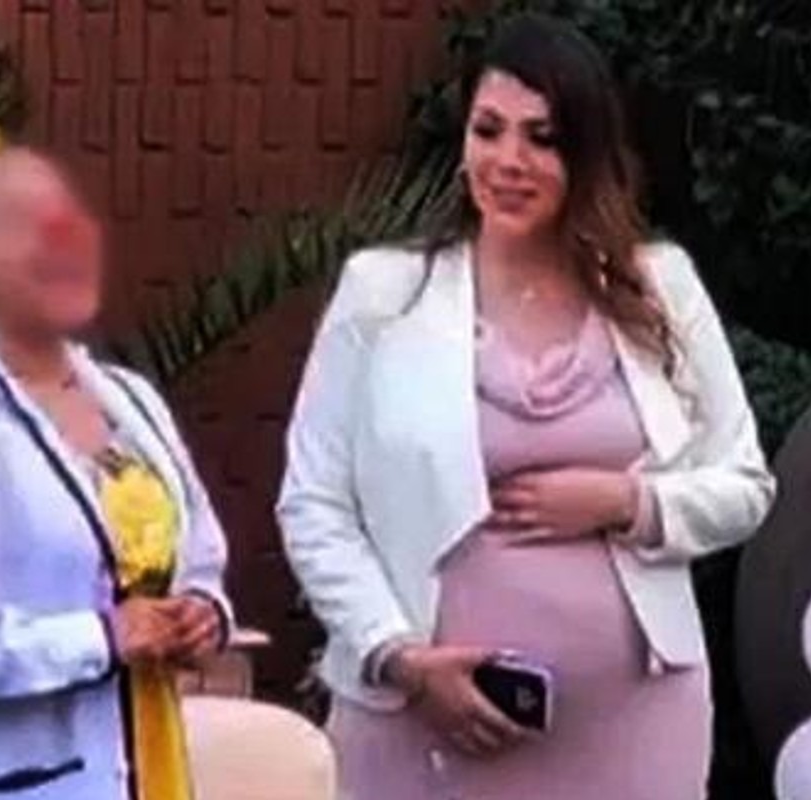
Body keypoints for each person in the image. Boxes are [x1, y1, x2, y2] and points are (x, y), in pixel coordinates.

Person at [277, 14, 775, 800]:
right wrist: (398, 656)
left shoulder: (659, 287)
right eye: (488, 130)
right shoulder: (383, 294)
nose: (508, 161)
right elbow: (314, 503)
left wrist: (628, 503)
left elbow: (745, 482)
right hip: (422, 722)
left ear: (587, 153)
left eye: (542, 138)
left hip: (634, 722)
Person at [0, 127, 232, 800]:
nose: (61, 236)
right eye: (22, 223)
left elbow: (200, 552)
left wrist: (204, 611)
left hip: (147, 766)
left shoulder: (131, 401)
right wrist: (99, 639)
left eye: (69, 215)